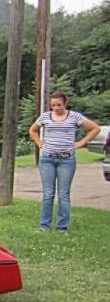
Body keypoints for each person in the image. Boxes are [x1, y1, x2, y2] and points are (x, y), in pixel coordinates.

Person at [28, 91, 100, 233]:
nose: (56, 108)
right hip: (47, 159)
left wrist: (81, 142)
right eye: (53, 105)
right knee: (48, 194)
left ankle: (62, 227)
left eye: (59, 105)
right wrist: (39, 143)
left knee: (64, 194)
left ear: (65, 103)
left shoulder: (74, 117)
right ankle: (44, 226)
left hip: (66, 160)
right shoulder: (45, 117)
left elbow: (95, 128)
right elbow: (33, 130)